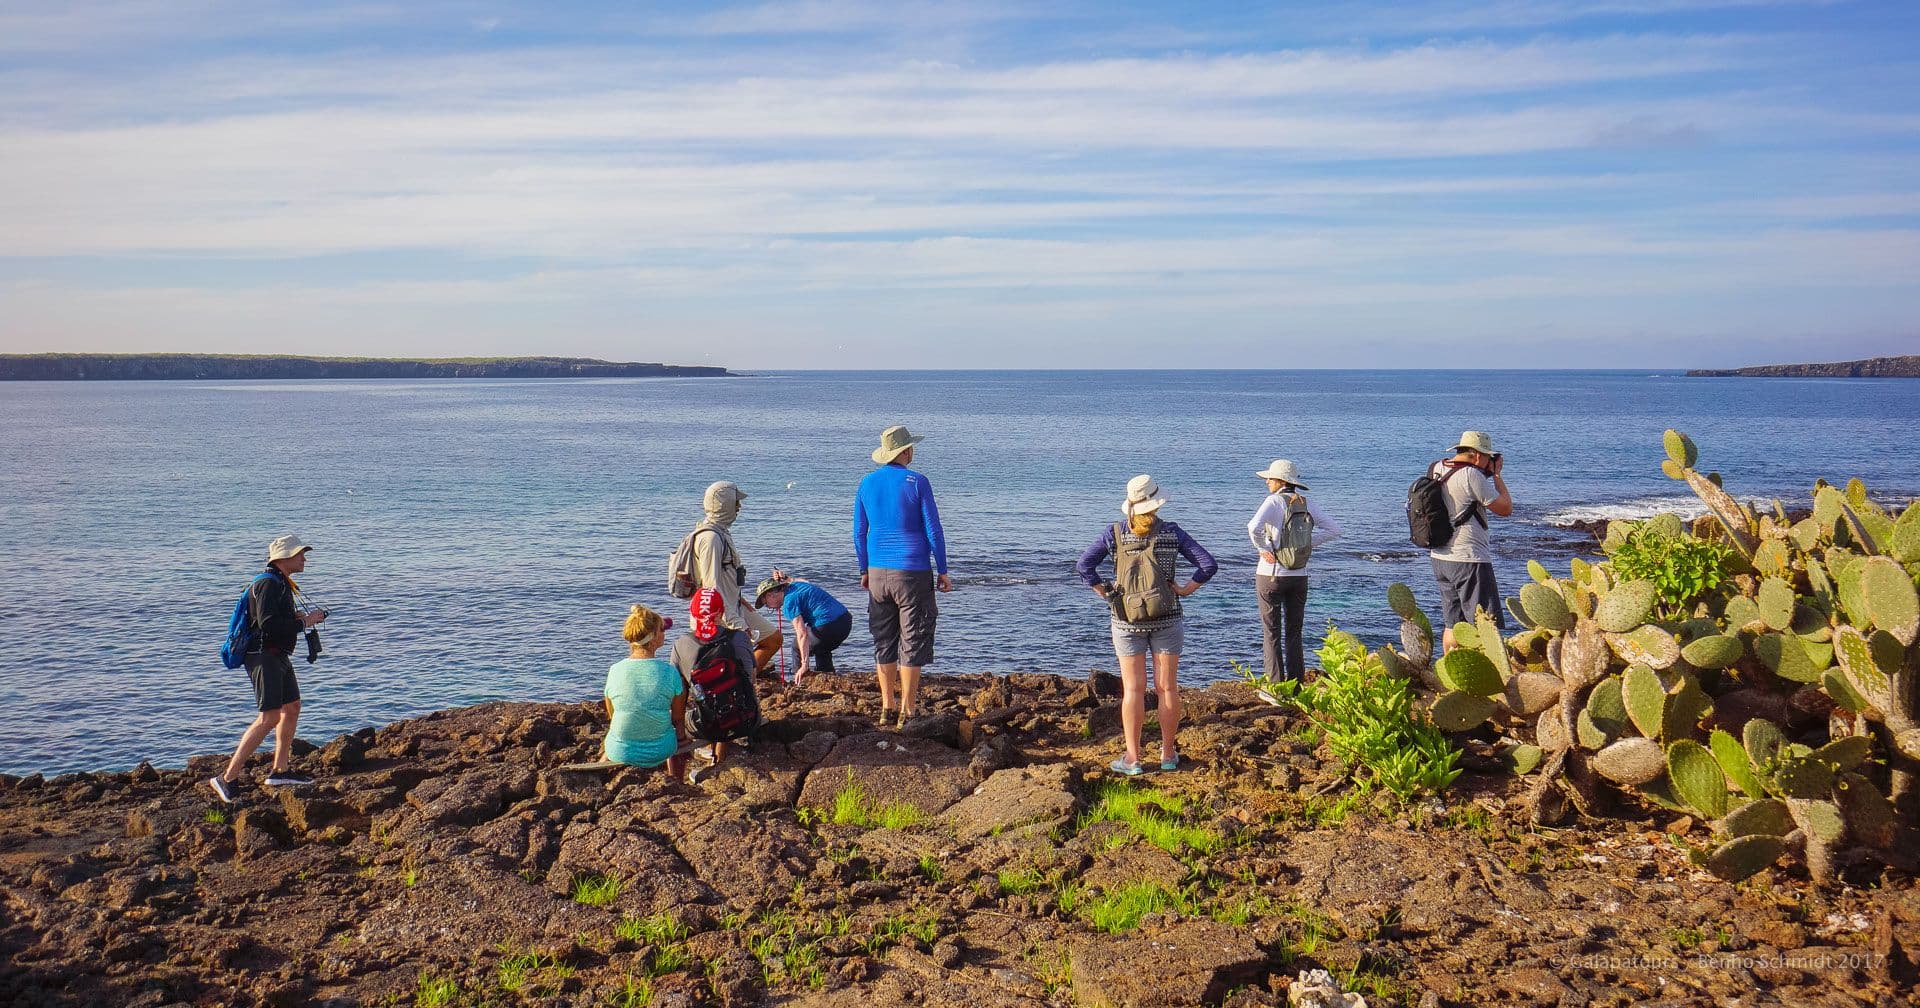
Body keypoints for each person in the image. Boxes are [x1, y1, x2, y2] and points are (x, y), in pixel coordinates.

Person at [1076, 476, 1217, 776]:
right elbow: (1208, 565)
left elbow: (1084, 566)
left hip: (1126, 621)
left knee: (1133, 690)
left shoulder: (1113, 534)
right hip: (1167, 617)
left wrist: (1105, 592)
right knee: (1167, 689)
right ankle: (1167, 754)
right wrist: (1185, 590)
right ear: (1156, 503)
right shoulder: (1172, 533)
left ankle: (1133, 758)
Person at [208, 535, 329, 804]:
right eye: (300, 554)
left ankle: (280, 770)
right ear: (284, 558)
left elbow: (273, 620)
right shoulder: (267, 585)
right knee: (269, 717)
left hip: (277, 656)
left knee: (293, 706)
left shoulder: (280, 584)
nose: (304, 559)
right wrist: (305, 622)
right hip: (263, 656)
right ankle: (226, 778)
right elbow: (268, 625)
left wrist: (297, 619)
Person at [853, 425, 951, 728]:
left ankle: (887, 706)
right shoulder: (918, 482)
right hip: (912, 570)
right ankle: (908, 710)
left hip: (878, 574)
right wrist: (943, 569)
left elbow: (859, 532)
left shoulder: (866, 483)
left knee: (884, 640)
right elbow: (933, 529)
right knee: (913, 637)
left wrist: (864, 569)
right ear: (906, 452)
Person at [1247, 460, 1343, 684]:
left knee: (1271, 633)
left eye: (1270, 478)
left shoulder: (1273, 501)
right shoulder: (1305, 503)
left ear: (1281, 481)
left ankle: (1277, 687)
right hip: (1299, 576)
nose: (1267, 482)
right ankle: (1297, 685)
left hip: (1271, 575)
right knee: (1294, 633)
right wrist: (1307, 545)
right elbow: (1335, 530)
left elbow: (1253, 527)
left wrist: (1264, 549)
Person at [1428, 431, 1514, 652]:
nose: (1487, 462)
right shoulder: (1470, 475)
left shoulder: (1437, 468)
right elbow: (1505, 508)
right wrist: (1497, 476)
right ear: (1476, 455)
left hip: (1440, 557)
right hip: (1470, 559)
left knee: (1452, 624)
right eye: (1486, 457)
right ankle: (1486, 675)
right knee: (1484, 623)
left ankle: (1449, 668)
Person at [688, 481, 782, 674]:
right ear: (723, 504)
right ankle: (743, 685)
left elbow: (724, 577)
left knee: (773, 639)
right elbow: (710, 587)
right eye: (735, 502)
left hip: (734, 604)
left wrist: (740, 600)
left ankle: (747, 680)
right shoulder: (710, 539)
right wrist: (735, 623)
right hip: (719, 614)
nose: (739, 507)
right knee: (729, 660)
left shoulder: (721, 533)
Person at [670, 588, 760, 770]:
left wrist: (680, 736)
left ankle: (676, 781)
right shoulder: (741, 638)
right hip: (746, 721)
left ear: (692, 613)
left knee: (700, 708)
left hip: (705, 726)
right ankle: (719, 757)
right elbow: (751, 682)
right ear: (722, 612)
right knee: (729, 697)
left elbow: (678, 696)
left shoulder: (681, 645)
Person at [602, 605, 691, 783]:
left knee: (614, 739)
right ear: (652, 639)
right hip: (661, 749)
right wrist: (681, 739)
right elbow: (678, 718)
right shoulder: (669, 672)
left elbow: (612, 713)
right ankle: (677, 781)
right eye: (661, 630)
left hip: (621, 750)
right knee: (674, 737)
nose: (664, 633)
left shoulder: (615, 670)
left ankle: (602, 774)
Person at [754, 572, 853, 684]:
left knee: (796, 646)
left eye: (766, 604)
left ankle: (800, 679)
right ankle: (827, 674)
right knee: (821, 646)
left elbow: (802, 634)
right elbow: (806, 582)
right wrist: (787, 578)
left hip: (828, 625)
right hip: (845, 621)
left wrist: (804, 663)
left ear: (770, 595)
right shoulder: (796, 585)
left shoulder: (788, 602)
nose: (768, 607)